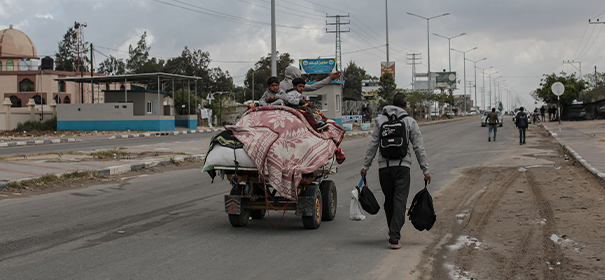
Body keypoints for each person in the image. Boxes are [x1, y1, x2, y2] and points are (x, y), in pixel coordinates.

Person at [360, 92, 431, 250]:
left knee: (389, 200)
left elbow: (372, 145)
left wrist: (365, 166)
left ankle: (392, 229)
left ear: (391, 103)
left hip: (384, 168)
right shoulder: (410, 122)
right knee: (400, 201)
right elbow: (419, 148)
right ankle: (394, 236)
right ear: (405, 106)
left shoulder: (380, 120)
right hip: (402, 167)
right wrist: (425, 170)